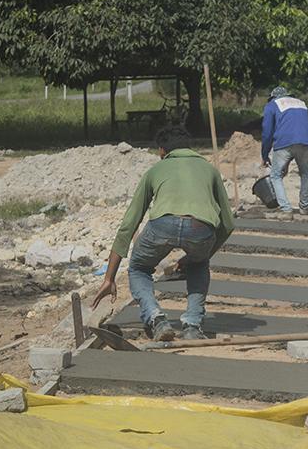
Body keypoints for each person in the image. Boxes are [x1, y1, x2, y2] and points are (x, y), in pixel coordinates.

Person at [92, 126, 234, 341]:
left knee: (139, 268)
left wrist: (109, 277)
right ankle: (193, 326)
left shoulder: (155, 171)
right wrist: (205, 252)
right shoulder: (210, 170)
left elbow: (129, 224)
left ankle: (156, 319)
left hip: (162, 225)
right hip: (200, 228)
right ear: (189, 147)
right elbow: (228, 223)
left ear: (161, 151)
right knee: (199, 265)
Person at [261, 86, 308, 215]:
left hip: (283, 142)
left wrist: (265, 154)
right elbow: (300, 125)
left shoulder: (272, 105)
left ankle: (286, 209)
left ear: (273, 97)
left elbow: (267, 132)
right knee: (305, 174)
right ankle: (304, 208)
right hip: (305, 142)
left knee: (275, 175)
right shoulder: (301, 104)